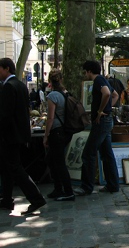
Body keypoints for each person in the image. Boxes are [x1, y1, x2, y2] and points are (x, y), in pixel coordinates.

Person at [0, 58, 46, 214]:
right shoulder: (20, 85)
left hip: (9, 135)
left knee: (15, 168)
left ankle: (36, 198)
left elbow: (5, 115)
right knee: (8, 167)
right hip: (19, 133)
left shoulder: (8, 87)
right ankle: (6, 199)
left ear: (6, 69)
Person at [74, 60, 120, 196]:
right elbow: (115, 95)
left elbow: (106, 93)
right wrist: (108, 108)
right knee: (107, 154)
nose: (85, 74)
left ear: (88, 71)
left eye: (85, 71)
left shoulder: (98, 80)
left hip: (101, 122)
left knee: (88, 154)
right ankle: (113, 185)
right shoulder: (103, 80)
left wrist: (100, 111)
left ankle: (86, 187)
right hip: (107, 121)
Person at [44, 70, 75, 201]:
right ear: (61, 79)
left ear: (50, 81)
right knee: (52, 160)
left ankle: (68, 191)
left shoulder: (53, 96)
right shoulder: (66, 94)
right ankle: (58, 188)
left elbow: (50, 118)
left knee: (58, 162)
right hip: (65, 130)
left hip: (56, 131)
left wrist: (46, 135)